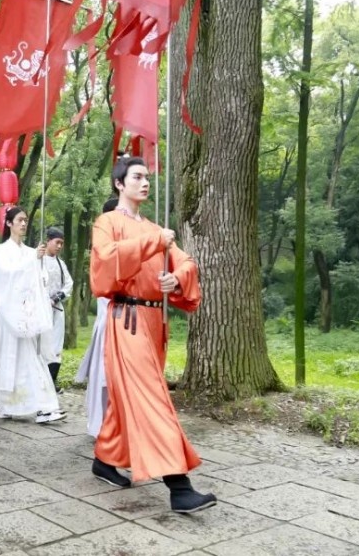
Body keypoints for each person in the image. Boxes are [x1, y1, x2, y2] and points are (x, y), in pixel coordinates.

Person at [89, 156, 215, 514]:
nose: (145, 183)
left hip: (154, 321)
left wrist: (176, 279)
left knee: (132, 395)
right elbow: (106, 260)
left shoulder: (156, 228)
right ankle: (179, 486)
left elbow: (187, 262)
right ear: (119, 183)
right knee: (152, 398)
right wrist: (152, 243)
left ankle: (105, 457)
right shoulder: (108, 222)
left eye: (147, 177)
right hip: (125, 318)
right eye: (137, 177)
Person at [0, 207, 66, 424]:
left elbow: (39, 281)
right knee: (8, 359)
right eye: (19, 220)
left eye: (25, 220)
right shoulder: (0, 251)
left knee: (30, 359)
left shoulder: (30, 251)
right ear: (9, 223)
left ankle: (43, 406)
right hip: (8, 314)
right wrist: (33, 259)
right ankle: (8, 403)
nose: (24, 224)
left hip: (25, 314)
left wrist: (37, 262)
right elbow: (6, 275)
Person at [75, 197, 117, 438]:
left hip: (126, 322)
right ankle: (102, 425)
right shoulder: (104, 247)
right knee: (105, 379)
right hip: (109, 319)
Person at [41, 227, 74, 388]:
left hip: (56, 309)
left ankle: (52, 381)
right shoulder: (38, 259)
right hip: (40, 309)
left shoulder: (61, 264)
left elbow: (69, 283)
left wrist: (56, 298)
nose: (59, 246)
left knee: (56, 344)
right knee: (41, 344)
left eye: (62, 243)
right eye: (57, 242)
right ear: (48, 241)